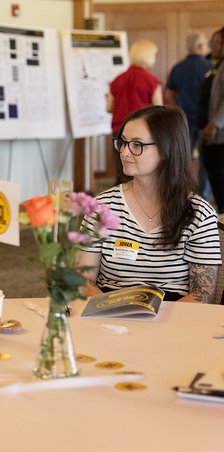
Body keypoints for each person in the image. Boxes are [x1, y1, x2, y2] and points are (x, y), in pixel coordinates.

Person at [77, 106, 221, 303]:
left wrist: (155, 326)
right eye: (123, 142)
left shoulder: (199, 213)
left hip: (173, 318)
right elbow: (83, 279)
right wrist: (115, 312)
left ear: (166, 149)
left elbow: (202, 294)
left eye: (137, 144)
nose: (125, 152)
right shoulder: (102, 206)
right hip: (107, 313)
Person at [107, 39, 163, 184]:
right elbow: (159, 110)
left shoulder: (117, 79)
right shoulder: (152, 80)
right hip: (142, 135)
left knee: (122, 171)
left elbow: (108, 107)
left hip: (120, 133)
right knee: (139, 175)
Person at [165, 32, 212, 201]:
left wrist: (176, 108)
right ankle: (202, 196)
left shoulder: (177, 67)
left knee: (180, 157)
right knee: (204, 160)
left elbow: (170, 92)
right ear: (200, 46)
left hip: (182, 119)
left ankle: (178, 194)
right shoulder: (210, 66)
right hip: (204, 121)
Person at [199, 27, 224, 220]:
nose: (212, 46)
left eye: (216, 42)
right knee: (212, 167)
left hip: (220, 132)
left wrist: (214, 124)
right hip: (213, 132)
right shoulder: (217, 64)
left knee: (217, 169)